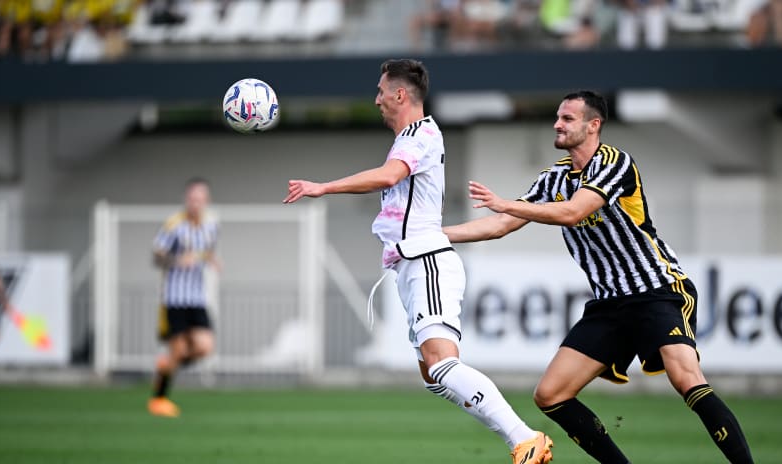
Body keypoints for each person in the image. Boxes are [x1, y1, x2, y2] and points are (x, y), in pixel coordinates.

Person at [443, 90, 755, 463]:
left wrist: (506, 202)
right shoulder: (554, 177)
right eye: (557, 117)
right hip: (610, 304)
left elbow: (574, 212)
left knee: (686, 378)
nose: (557, 124)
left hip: (657, 290)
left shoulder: (616, 163)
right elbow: (500, 225)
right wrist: (430, 236)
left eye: (567, 119)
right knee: (550, 394)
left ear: (594, 126)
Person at [283, 58, 554, 464]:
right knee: (435, 376)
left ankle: (525, 439)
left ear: (400, 94)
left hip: (427, 262)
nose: (375, 100)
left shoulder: (420, 134)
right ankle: (522, 440)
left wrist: (323, 187)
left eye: (380, 91)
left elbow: (389, 176)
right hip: (415, 262)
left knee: (441, 364)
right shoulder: (411, 137)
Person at [148, 177, 220, 418]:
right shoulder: (174, 225)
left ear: (206, 201)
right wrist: (178, 260)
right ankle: (159, 400)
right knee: (177, 351)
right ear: (186, 200)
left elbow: (207, 251)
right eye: (192, 198)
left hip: (197, 298)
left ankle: (166, 366)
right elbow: (156, 257)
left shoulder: (211, 226)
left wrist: (211, 259)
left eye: (200, 199)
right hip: (174, 299)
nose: (195, 203)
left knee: (205, 347)